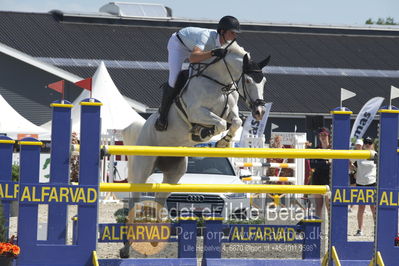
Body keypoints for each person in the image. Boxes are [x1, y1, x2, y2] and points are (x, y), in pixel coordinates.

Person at [154, 15, 241, 131]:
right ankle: (162, 117)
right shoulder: (205, 36)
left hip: (196, 48)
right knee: (174, 79)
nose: (235, 36)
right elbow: (193, 58)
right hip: (179, 45)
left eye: (236, 34)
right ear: (222, 31)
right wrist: (213, 53)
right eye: (232, 33)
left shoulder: (227, 44)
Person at [351, 136, 377, 236]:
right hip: (360, 183)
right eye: (365, 142)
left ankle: (376, 229)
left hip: (372, 182)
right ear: (363, 144)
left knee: (373, 207)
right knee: (361, 207)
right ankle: (360, 229)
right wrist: (354, 170)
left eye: (369, 143)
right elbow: (348, 160)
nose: (367, 144)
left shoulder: (375, 154)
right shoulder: (359, 154)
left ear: (372, 144)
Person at [310, 127, 331, 218]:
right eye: (321, 135)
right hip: (317, 177)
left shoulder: (332, 148)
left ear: (328, 136)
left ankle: (331, 230)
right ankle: (317, 230)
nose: (322, 137)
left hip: (328, 178)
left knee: (329, 205)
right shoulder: (317, 148)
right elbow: (312, 164)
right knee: (318, 205)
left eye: (324, 135)